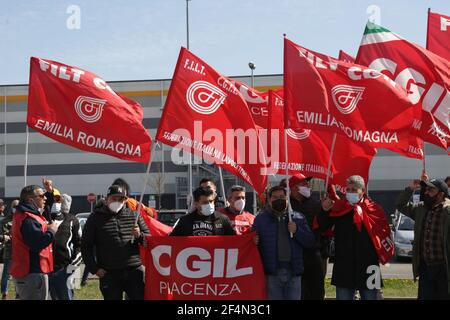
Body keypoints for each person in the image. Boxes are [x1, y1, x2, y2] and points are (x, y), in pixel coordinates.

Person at [318, 175, 392, 300]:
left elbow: (384, 232)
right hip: (344, 265)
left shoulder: (374, 209)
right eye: (348, 190)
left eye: (354, 190)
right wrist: (325, 210)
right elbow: (322, 227)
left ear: (362, 191)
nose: (350, 192)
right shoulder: (339, 207)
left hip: (369, 265)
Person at [81, 184, 150, 300]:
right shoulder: (95, 218)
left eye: (121, 199)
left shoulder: (134, 215)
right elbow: (85, 246)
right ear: (106, 199)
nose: (117, 202)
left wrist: (140, 235)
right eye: (114, 198)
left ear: (125, 200)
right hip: (109, 273)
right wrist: (95, 269)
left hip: (134, 271)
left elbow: (149, 240)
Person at [252, 185, 315, 300]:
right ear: (269, 200)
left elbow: (310, 241)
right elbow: (252, 245)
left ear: (287, 199)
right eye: (275, 197)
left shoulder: (298, 217)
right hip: (272, 273)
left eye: (281, 197)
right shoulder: (260, 219)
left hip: (294, 272)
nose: (278, 200)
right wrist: (253, 242)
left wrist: (297, 231)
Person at [396, 178, 450, 300]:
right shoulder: (421, 209)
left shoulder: (448, 211)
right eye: (426, 189)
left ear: (441, 194)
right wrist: (411, 189)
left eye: (431, 190)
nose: (426, 192)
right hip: (426, 268)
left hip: (444, 270)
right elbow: (400, 205)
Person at [11, 185, 59, 300]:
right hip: (32, 272)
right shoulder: (28, 218)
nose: (45, 198)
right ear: (30, 199)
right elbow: (37, 243)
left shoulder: (26, 215)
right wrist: (52, 231)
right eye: (42, 196)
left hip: (30, 271)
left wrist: (49, 192)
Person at [286, 174, 327, 300]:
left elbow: (324, 227)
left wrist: (326, 211)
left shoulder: (316, 204)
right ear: (293, 188)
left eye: (307, 183)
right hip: (294, 257)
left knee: (316, 293)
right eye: (303, 184)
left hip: (314, 255)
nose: (308, 186)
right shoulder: (286, 206)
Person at [48, 194, 82, 300]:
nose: (59, 203)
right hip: (45, 269)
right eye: (57, 200)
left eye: (61, 201)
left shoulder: (72, 220)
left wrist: (73, 267)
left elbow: (80, 244)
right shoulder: (44, 218)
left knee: (66, 295)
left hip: (64, 267)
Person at [170, 187, 236, 236]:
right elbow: (173, 241)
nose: (209, 204)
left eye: (211, 201)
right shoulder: (185, 220)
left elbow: (234, 241)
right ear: (196, 204)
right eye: (205, 202)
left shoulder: (223, 219)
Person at [0, 199, 18, 299]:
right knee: (6, 274)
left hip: (20, 251)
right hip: (9, 251)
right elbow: (5, 236)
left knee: (19, 274)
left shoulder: (22, 219)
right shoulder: (5, 220)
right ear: (11, 207)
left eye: (17, 206)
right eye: (14, 206)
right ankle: (4, 293)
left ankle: (18, 293)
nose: (15, 208)